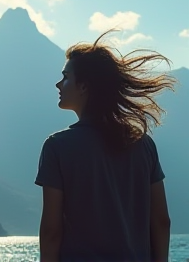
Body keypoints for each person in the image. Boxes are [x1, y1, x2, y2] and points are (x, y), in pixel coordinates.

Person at [34, 30, 176, 262]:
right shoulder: (143, 144)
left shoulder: (57, 147)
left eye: (66, 77)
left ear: (84, 86)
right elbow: (161, 221)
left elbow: (51, 231)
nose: (58, 84)